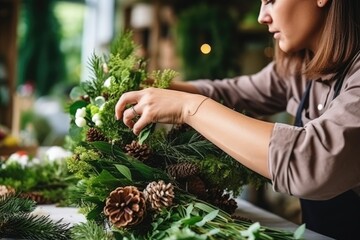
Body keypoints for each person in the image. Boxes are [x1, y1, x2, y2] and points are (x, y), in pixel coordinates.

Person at [115, 0, 360, 239]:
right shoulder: (298, 67)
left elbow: (313, 161)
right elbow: (231, 93)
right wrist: (154, 89)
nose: (262, 16)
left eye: (271, 1)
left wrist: (187, 108)